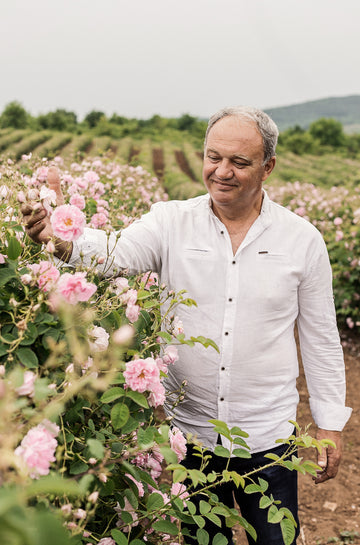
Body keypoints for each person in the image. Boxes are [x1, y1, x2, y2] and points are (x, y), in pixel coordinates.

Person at [22, 106, 352, 545]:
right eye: (213, 157)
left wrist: (329, 424)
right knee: (203, 539)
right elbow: (113, 253)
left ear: (267, 167)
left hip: (268, 436)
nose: (222, 172)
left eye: (239, 162)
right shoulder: (170, 221)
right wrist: (59, 237)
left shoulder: (302, 240)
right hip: (191, 436)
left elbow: (321, 337)